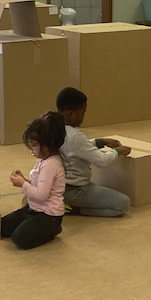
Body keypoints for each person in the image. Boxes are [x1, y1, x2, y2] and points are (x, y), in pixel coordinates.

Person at [55, 86, 131, 217]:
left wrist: (101, 141)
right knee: (122, 204)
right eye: (82, 113)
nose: (83, 117)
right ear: (71, 113)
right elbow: (102, 161)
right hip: (75, 190)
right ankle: (74, 209)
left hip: (58, 188)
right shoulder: (75, 136)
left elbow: (75, 148)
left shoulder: (55, 128)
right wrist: (119, 151)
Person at [1, 112, 67, 250]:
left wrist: (22, 184)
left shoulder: (51, 164)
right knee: (1, 227)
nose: (31, 150)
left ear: (47, 146)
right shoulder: (43, 160)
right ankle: (32, 224)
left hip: (48, 216)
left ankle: (52, 229)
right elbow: (39, 184)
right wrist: (25, 180)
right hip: (33, 208)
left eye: (34, 146)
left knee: (19, 239)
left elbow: (41, 194)